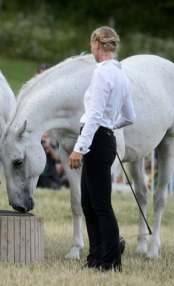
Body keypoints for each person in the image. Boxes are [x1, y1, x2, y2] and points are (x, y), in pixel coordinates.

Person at [69, 26, 136, 272]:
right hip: (104, 139)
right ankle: (96, 258)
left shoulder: (101, 74)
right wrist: (109, 127)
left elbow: (95, 114)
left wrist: (79, 147)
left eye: (91, 44)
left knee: (100, 205)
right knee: (89, 202)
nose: (91, 49)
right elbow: (130, 116)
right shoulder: (123, 76)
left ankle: (110, 262)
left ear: (97, 43)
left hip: (95, 141)